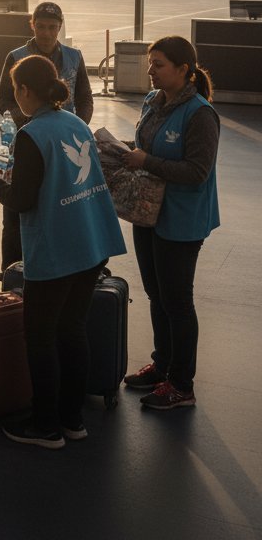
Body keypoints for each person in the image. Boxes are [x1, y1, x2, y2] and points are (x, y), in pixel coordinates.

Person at [0, 55, 125, 449]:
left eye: (16, 90)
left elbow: (23, 201)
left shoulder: (31, 134)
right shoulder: (75, 122)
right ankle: (72, 419)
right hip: (90, 242)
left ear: (25, 91)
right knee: (73, 329)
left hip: (57, 250)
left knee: (41, 335)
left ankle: (45, 424)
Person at [120, 36, 220, 411]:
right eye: (151, 63)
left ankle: (181, 385)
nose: (151, 70)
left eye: (158, 64)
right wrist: (124, 150)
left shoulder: (200, 114)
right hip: (148, 212)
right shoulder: (153, 101)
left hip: (181, 220)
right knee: (156, 293)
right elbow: (147, 145)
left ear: (183, 70)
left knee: (177, 301)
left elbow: (197, 171)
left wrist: (145, 161)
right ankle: (162, 366)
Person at [0, 1, 94, 271]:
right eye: (41, 27)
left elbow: (85, 97)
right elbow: (3, 101)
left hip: (66, 145)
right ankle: (11, 270)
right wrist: (33, 122)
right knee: (16, 213)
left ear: (60, 27)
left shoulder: (74, 57)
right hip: (25, 142)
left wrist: (76, 126)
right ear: (32, 26)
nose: (46, 33)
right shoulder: (16, 57)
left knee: (61, 203)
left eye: (52, 27)